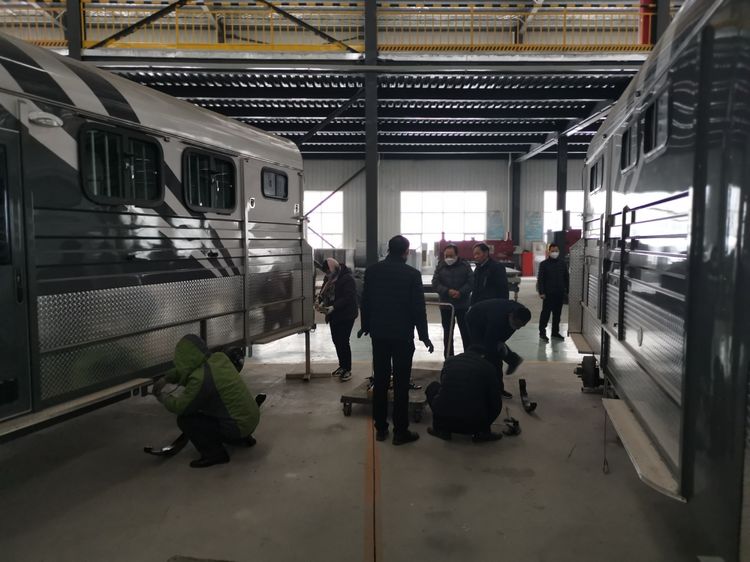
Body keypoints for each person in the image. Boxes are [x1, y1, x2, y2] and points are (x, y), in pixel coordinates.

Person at [359, 234, 434, 446]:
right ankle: (401, 431)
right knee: (401, 384)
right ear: (406, 252)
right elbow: (418, 308)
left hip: (379, 335)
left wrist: (366, 325)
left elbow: (365, 301)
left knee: (381, 381)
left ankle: (381, 429)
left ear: (388, 250)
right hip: (402, 336)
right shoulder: (412, 274)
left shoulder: (373, 271)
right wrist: (424, 335)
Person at [153, 334, 261, 468]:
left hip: (237, 426)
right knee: (225, 406)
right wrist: (167, 378)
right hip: (251, 420)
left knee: (186, 419)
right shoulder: (219, 358)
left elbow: (181, 407)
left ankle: (215, 454)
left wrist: (163, 397)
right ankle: (243, 439)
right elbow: (187, 371)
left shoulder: (200, 379)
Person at [425, 345, 503, 443]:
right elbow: (496, 401)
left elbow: (443, 386)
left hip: (446, 420)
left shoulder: (450, 361)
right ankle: (482, 432)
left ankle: (441, 429)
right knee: (493, 397)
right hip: (474, 424)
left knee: (433, 387)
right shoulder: (488, 367)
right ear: (482, 355)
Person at [465, 298, 531, 390]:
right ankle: (484, 384)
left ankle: (498, 387)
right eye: (517, 325)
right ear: (511, 316)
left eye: (521, 326)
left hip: (492, 314)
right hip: (475, 318)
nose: (518, 328)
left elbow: (508, 332)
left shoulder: (521, 312)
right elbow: (490, 344)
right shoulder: (496, 320)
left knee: (497, 347)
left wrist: (501, 342)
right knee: (483, 349)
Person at [316, 257, 358, 381]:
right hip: (333, 315)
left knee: (343, 341)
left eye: (328, 272)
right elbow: (323, 291)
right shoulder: (329, 277)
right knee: (336, 340)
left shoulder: (347, 279)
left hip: (346, 315)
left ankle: (347, 369)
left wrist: (334, 307)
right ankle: (342, 366)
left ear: (334, 268)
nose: (327, 275)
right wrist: (320, 301)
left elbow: (348, 297)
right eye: (326, 273)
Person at [431, 244, 473, 356]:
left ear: (457, 255)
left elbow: (471, 282)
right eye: (446, 256)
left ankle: (469, 356)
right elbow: (435, 283)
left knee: (466, 332)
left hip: (462, 305)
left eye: (451, 256)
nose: (449, 258)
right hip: (446, 305)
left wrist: (461, 292)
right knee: (448, 333)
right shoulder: (440, 266)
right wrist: (447, 291)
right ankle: (449, 357)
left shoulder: (465, 266)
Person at [537, 243, 569, 343]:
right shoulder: (544, 264)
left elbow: (566, 278)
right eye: (553, 251)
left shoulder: (562, 263)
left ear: (559, 252)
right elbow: (540, 279)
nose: (554, 253)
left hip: (559, 293)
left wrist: (568, 291)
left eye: (556, 251)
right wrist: (541, 292)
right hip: (548, 294)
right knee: (545, 314)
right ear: (549, 252)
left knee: (557, 314)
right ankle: (542, 333)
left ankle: (555, 332)